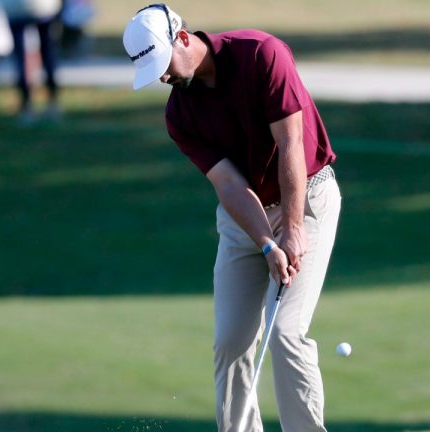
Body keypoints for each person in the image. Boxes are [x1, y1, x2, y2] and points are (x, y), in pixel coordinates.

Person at [123, 4, 340, 432]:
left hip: (307, 199)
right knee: (231, 342)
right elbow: (227, 184)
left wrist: (292, 232)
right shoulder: (179, 115)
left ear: (182, 38)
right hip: (245, 216)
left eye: (162, 65)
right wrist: (266, 242)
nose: (162, 78)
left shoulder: (261, 54)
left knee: (285, 333)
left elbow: (291, 145)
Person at [0, 0, 61, 121]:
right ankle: (52, 102)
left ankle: (26, 106)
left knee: (21, 57)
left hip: (16, 8)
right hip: (43, 8)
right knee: (47, 53)